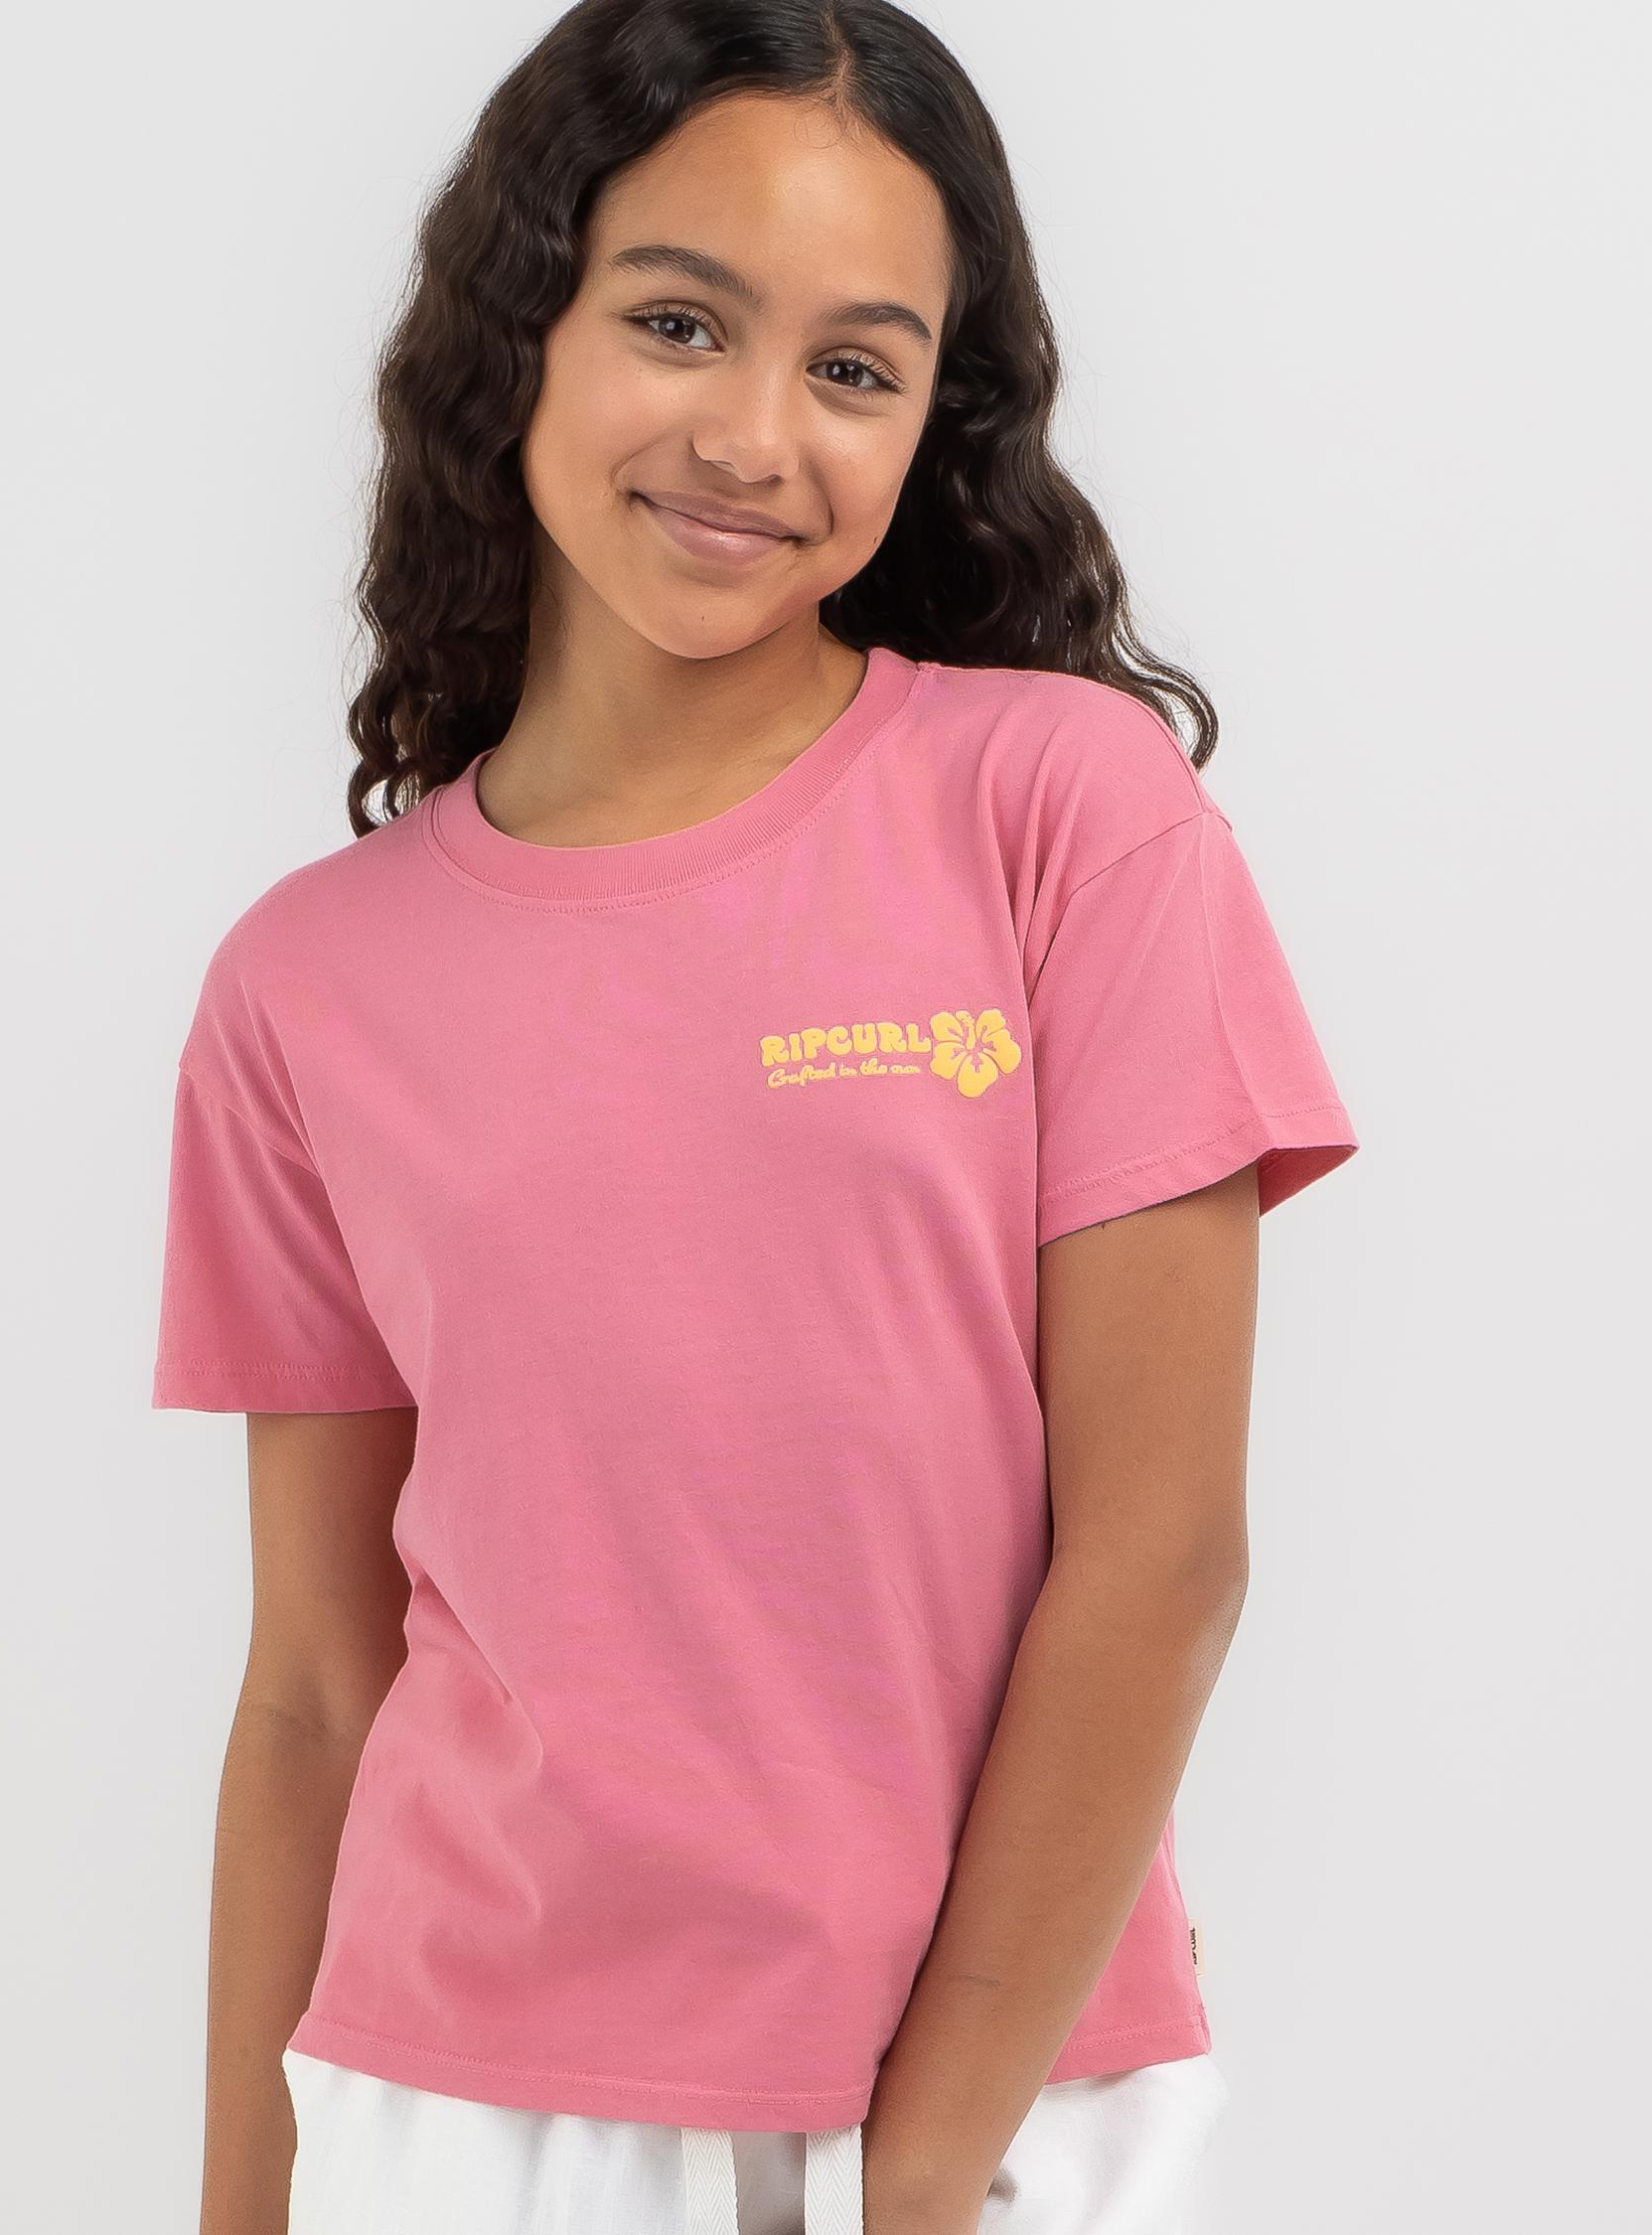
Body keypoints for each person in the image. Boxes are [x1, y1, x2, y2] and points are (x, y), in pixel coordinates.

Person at [149, 3, 1360, 2230]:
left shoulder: (1062, 815)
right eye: (680, 320)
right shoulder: (304, 985)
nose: (752, 435)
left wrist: (921, 2174)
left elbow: (1163, 1553)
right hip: (461, 2116)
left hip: (999, 2104)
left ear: (932, 418)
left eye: (856, 367)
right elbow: (314, 1688)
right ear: (523, 322)